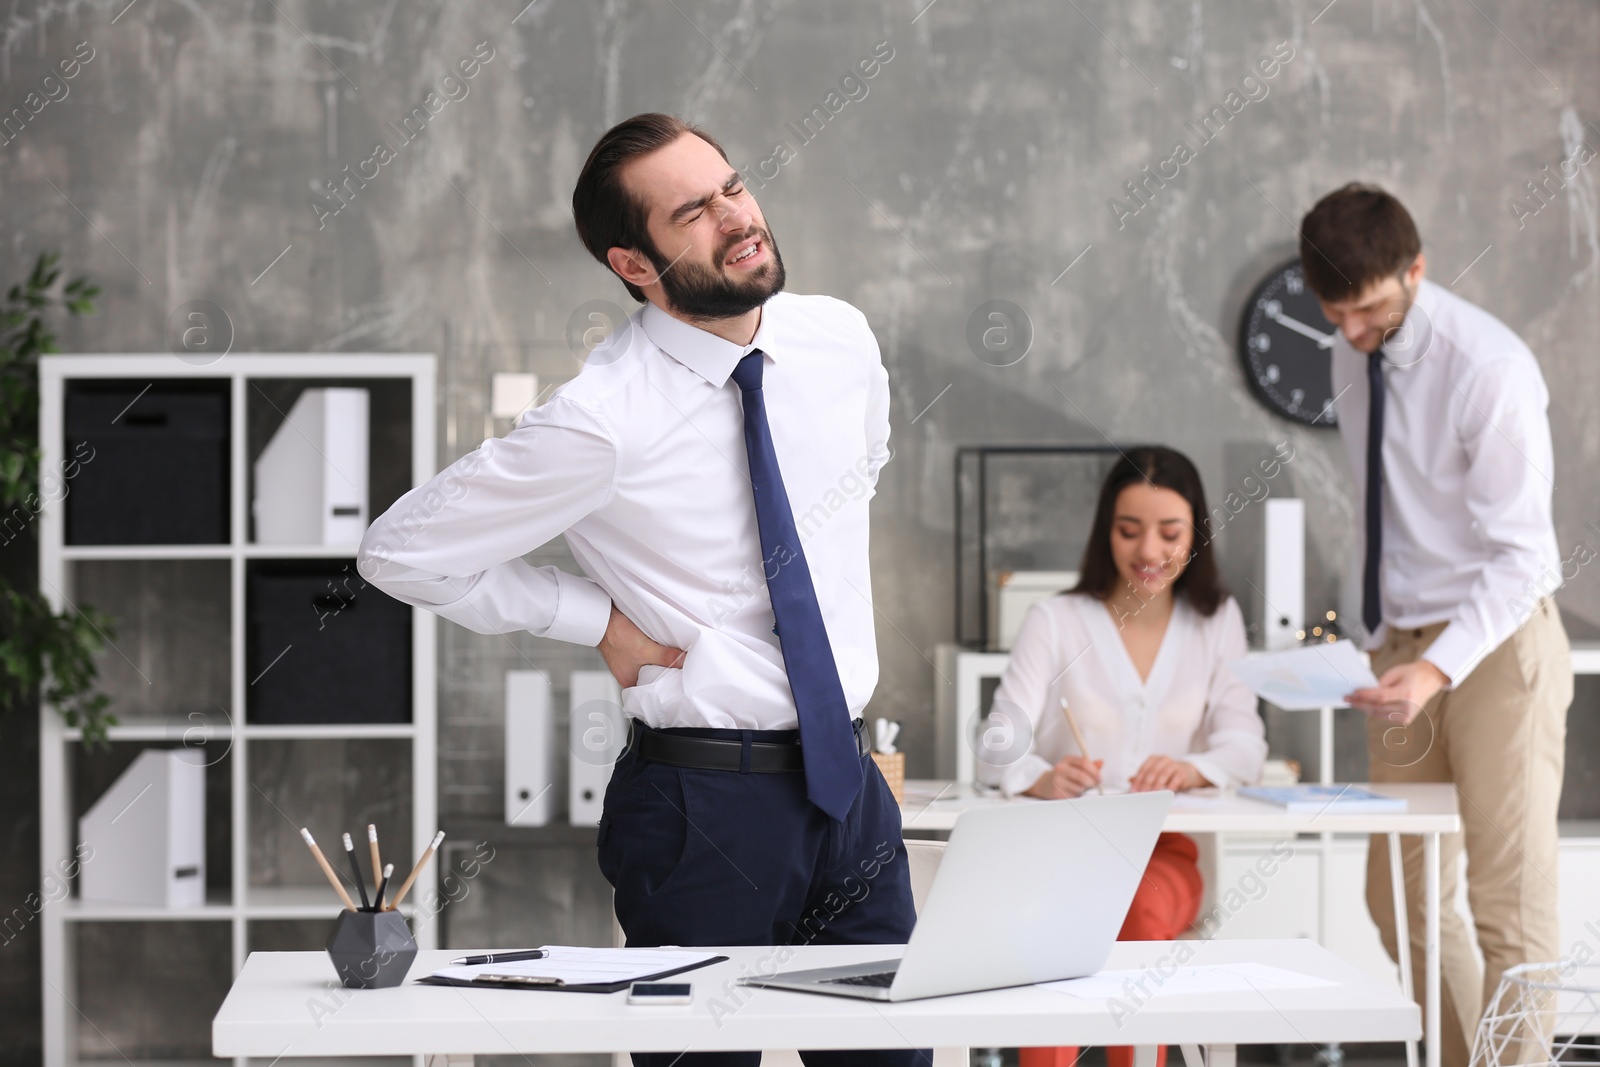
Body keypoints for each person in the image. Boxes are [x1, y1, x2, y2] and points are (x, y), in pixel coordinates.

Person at [357, 112, 926, 1067]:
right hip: (705, 804)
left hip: (851, 790)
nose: (737, 218)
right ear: (633, 264)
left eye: (733, 186)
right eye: (693, 212)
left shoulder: (836, 340)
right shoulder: (603, 420)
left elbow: (858, 468)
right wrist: (592, 619)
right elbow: (398, 552)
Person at [1299, 183, 1572, 1067]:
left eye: (1370, 309)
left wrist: (1438, 666)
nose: (1351, 333)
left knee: (1509, 908)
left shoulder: (1487, 367)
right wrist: (1371, 638)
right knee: (1399, 898)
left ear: (1417, 271)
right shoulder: (1354, 353)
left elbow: (1523, 555)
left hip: (1495, 647)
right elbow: (1390, 510)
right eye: (1335, 314)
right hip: (1401, 649)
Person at [977, 445, 1267, 1067]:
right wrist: (1037, 778)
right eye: (1129, 531)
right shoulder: (1056, 620)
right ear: (1106, 529)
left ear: (1197, 536)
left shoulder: (1216, 621)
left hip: (1166, 855)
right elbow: (997, 740)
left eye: (1170, 533)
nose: (1148, 552)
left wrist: (1195, 768)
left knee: (1135, 910)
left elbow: (1246, 744)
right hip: (1063, 853)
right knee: (1059, 921)